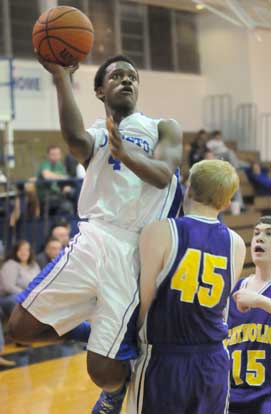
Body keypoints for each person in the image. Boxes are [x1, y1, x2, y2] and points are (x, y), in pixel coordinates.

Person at [8, 54, 182, 414]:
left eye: (132, 75)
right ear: (100, 91)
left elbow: (164, 174)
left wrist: (127, 154)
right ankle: (99, 336)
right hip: (93, 239)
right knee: (19, 327)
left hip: (134, 251)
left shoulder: (164, 127)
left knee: (102, 371)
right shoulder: (99, 136)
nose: (126, 80)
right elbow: (73, 137)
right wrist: (60, 77)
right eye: (116, 76)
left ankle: (114, 384)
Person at [126, 159, 246, 414]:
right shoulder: (235, 243)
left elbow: (143, 301)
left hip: (164, 358)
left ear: (188, 189)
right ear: (226, 203)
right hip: (213, 361)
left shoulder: (159, 231)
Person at [226, 215, 271, 414]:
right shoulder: (236, 288)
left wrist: (259, 301)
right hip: (230, 394)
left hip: (266, 396)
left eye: (269, 234)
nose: (259, 238)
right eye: (256, 234)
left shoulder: (259, 297)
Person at [0, 240, 40, 320]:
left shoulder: (34, 265)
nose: (24, 252)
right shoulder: (10, 264)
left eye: (26, 250)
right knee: (18, 300)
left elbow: (41, 280)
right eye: (20, 250)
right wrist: (27, 294)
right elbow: (9, 287)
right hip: (9, 297)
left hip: (32, 296)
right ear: (15, 252)